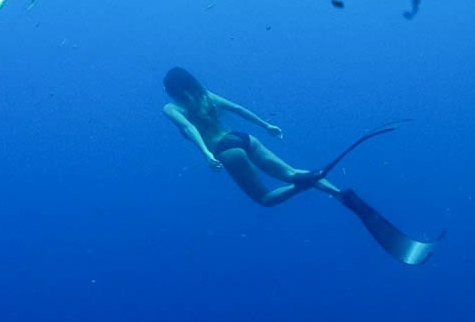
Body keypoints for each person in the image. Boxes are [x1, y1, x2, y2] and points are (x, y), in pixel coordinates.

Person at [161, 67, 441, 265]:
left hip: (225, 150)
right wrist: (266, 125)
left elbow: (188, 127)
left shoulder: (172, 107)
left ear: (171, 90)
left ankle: (306, 183)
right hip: (244, 139)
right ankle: (337, 193)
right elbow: (237, 109)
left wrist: (206, 154)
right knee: (294, 172)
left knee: (266, 199)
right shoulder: (205, 95)